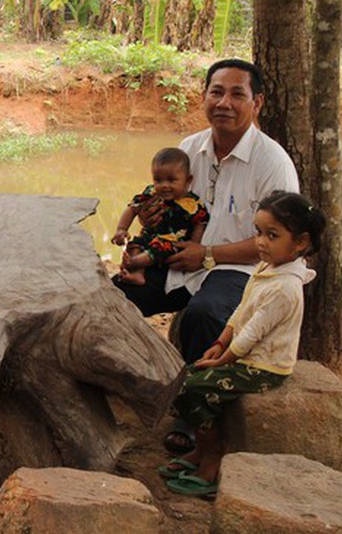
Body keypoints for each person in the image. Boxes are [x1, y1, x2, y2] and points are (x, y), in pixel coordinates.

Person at [111, 58, 299, 454]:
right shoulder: (187, 150)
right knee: (114, 298)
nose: (224, 103)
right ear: (204, 97)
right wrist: (149, 218)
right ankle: (115, 382)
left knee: (205, 315)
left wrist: (207, 253)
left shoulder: (273, 163)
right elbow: (162, 205)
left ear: (257, 102)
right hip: (177, 257)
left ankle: (193, 414)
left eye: (237, 94)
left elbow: (277, 244)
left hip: (236, 266)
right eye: (216, 92)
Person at [159, 191, 326, 497]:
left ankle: (213, 457)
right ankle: (201, 451)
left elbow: (253, 334)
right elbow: (242, 310)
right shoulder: (266, 268)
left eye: (272, 235)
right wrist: (221, 341)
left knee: (195, 388)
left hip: (263, 366)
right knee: (188, 379)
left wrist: (223, 360)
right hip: (244, 355)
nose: (261, 242)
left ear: (300, 242)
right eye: (258, 232)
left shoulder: (285, 287)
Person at [111, 147, 209, 286]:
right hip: (149, 235)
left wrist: (193, 245)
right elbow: (133, 208)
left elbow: (200, 223)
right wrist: (121, 229)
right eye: (158, 180)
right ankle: (138, 274)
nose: (164, 186)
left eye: (171, 180)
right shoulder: (151, 192)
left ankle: (134, 263)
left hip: (172, 242)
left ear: (188, 181)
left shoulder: (192, 204)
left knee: (159, 248)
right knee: (135, 244)